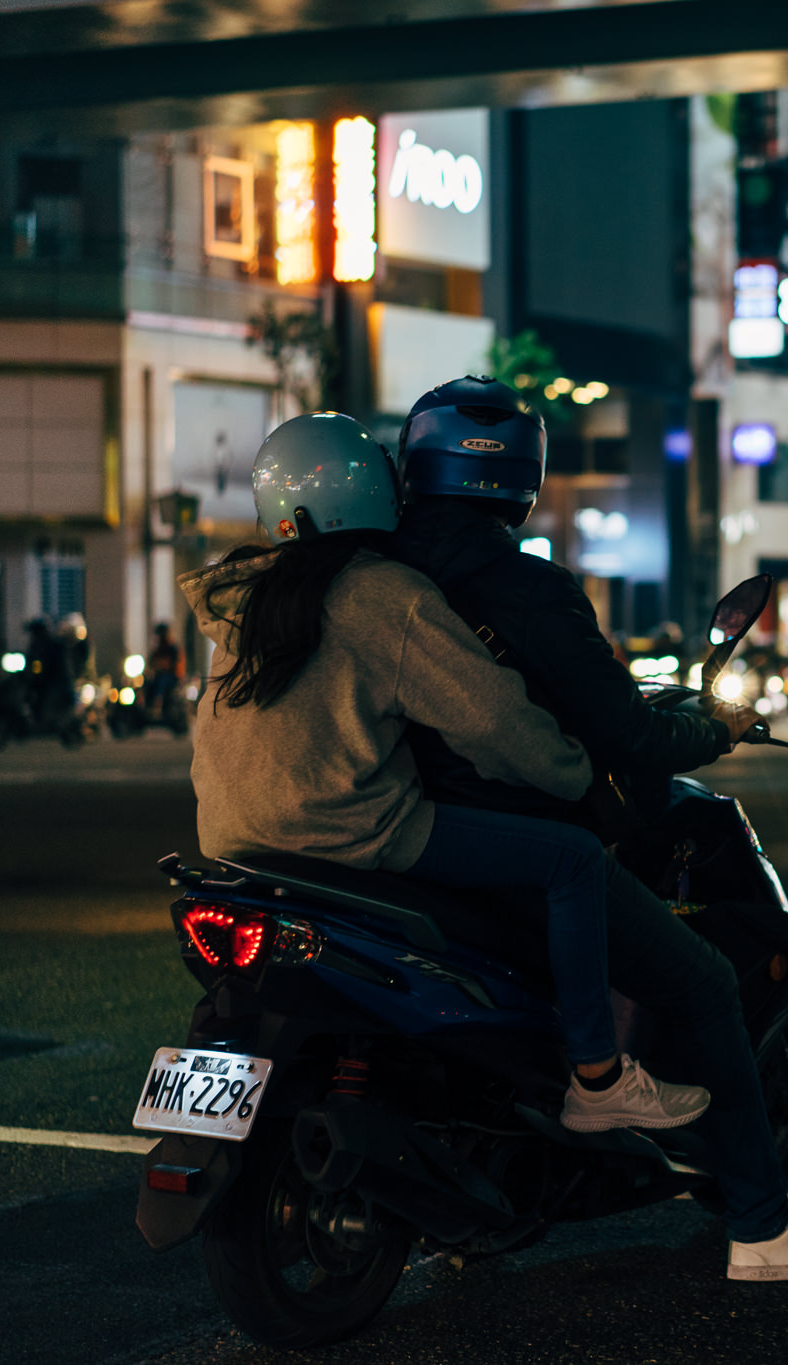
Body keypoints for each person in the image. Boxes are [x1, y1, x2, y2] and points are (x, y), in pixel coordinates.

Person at [392, 376, 788, 1282]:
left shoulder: (375, 576)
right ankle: (763, 1227)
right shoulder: (530, 589)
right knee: (700, 981)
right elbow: (626, 733)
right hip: (510, 840)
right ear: (521, 476)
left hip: (393, 838)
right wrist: (717, 726)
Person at [181, 410, 708, 1135]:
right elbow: (491, 719)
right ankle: (598, 1076)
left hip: (232, 838)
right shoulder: (383, 594)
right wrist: (571, 773)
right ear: (379, 489)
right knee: (575, 860)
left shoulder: (244, 594)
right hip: (348, 832)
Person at [144, 622, 184, 719]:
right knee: (146, 683)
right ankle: (145, 707)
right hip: (158, 676)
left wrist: (163, 666)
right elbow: (150, 663)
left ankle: (158, 705)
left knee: (162, 682)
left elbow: (175, 665)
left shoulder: (173, 649)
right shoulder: (156, 650)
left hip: (171, 677)